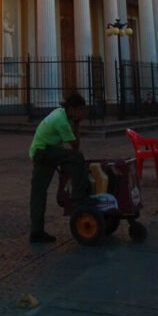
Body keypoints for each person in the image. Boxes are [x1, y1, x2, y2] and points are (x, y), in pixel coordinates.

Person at [29, 92, 90, 243]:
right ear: (71, 109)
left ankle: (66, 193)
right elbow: (75, 147)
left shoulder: (61, 114)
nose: (84, 113)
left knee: (39, 191)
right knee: (77, 157)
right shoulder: (61, 121)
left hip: (47, 150)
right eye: (81, 110)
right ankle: (78, 198)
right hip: (43, 152)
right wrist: (77, 124)